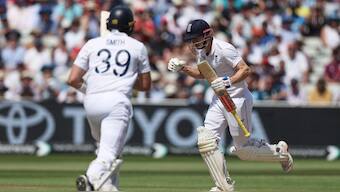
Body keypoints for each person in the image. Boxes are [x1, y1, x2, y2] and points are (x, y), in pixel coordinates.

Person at [168, 19, 293, 192]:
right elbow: (203, 73)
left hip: (238, 99)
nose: (194, 42)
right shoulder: (201, 51)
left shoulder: (224, 49)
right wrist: (183, 68)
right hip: (219, 99)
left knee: (242, 150)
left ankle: (280, 153)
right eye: (192, 39)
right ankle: (223, 186)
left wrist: (227, 81)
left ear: (208, 34)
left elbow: (245, 70)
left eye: (197, 38)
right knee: (206, 140)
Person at [67, 5, 151, 192]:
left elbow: (72, 79)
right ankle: (90, 178)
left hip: (91, 102)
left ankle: (109, 188)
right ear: (131, 25)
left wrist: (90, 88)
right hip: (116, 103)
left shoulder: (92, 43)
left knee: (104, 149)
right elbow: (145, 86)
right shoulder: (138, 47)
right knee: (108, 154)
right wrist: (126, 78)